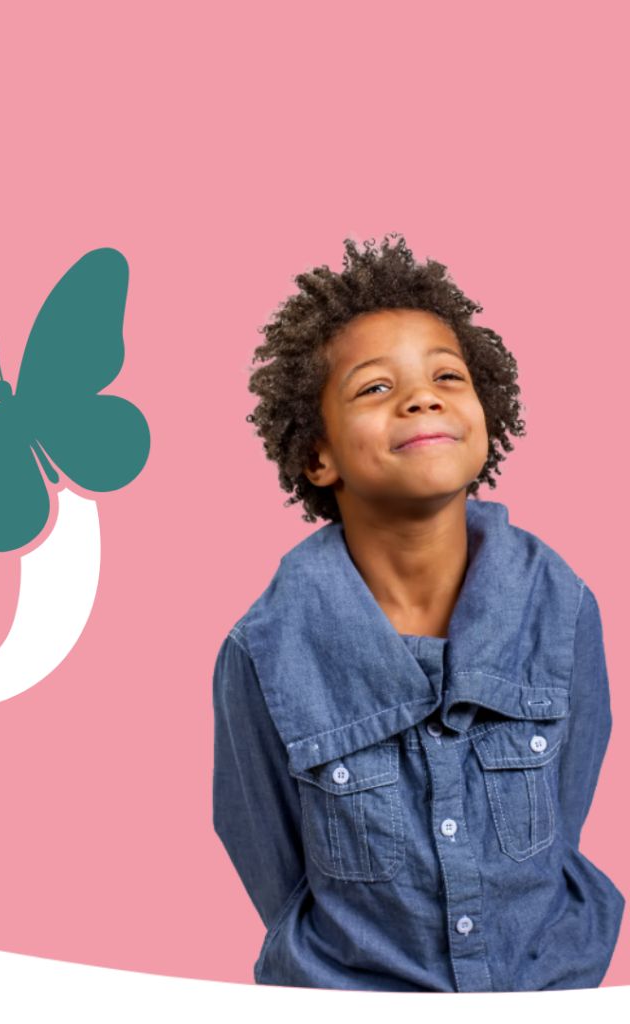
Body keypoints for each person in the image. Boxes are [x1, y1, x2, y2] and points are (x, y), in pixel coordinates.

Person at [212, 235, 623, 992]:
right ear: (318, 456)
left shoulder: (561, 608)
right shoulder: (264, 652)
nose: (422, 397)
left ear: (486, 412)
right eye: (374, 388)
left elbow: (565, 817)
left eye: (447, 376)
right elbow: (270, 861)